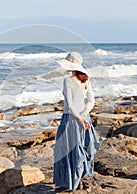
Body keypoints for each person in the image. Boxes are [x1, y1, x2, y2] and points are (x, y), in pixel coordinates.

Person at [53, 52, 100, 192]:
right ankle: (78, 180)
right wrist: (84, 115)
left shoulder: (67, 81)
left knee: (66, 150)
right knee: (81, 149)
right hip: (84, 119)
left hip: (71, 119)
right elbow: (91, 101)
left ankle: (68, 182)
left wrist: (80, 118)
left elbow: (70, 104)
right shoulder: (85, 80)